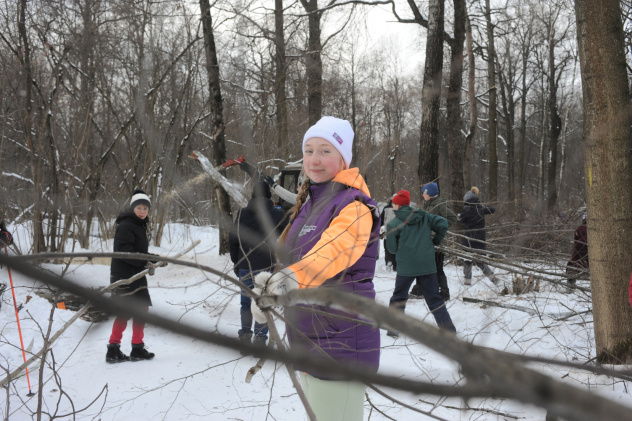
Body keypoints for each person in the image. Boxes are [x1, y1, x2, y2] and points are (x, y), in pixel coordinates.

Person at [250, 116, 380, 421]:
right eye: (309, 151)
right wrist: (273, 287)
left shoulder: (354, 206)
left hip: (341, 343)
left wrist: (290, 279)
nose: (314, 160)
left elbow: (333, 252)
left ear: (343, 158)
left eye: (325, 151)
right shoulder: (309, 204)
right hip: (308, 338)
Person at [384, 189, 455, 337]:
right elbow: (443, 223)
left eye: (394, 203)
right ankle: (449, 332)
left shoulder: (393, 224)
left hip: (406, 267)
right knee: (434, 298)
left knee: (399, 297)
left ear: (397, 205)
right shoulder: (424, 216)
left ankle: (393, 330)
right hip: (426, 265)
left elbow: (392, 248)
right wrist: (436, 240)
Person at [229, 179, 286, 351]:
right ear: (269, 195)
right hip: (265, 265)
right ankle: (260, 339)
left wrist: (236, 262)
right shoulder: (275, 213)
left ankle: (245, 336)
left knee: (246, 303)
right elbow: (286, 231)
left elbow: (234, 239)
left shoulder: (242, 214)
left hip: (245, 263)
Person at [106, 190, 157, 363]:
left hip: (135, 274)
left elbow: (138, 251)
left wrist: (152, 259)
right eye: (139, 207)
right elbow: (123, 252)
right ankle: (113, 349)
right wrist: (145, 262)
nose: (142, 211)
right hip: (124, 275)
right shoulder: (126, 225)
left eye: (145, 208)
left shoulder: (137, 225)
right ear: (132, 208)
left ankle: (137, 348)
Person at [410, 182, 458, 301]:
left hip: (438, 243)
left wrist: (439, 229)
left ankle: (444, 293)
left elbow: (452, 218)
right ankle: (419, 290)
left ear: (429, 194)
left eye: (424, 192)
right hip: (427, 242)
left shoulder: (439, 204)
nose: (422, 194)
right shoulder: (429, 204)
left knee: (437, 269)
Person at [459, 186, 497, 286]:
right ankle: (493, 278)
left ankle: (467, 282)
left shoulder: (466, 210)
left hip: (469, 240)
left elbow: (460, 221)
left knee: (467, 261)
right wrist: (482, 207)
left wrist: (459, 217)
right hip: (480, 240)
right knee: (481, 262)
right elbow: (493, 209)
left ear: (467, 200)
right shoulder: (481, 208)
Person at [566, 213, 588, 288]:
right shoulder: (595, 229)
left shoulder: (579, 229)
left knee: (571, 266)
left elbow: (575, 241)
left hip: (579, 250)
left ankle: (570, 284)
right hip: (590, 252)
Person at [379, 197, 397, 271]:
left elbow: (381, 220)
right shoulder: (400, 208)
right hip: (397, 234)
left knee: (387, 249)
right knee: (396, 249)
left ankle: (389, 262)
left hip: (387, 233)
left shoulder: (386, 208)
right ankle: (396, 265)